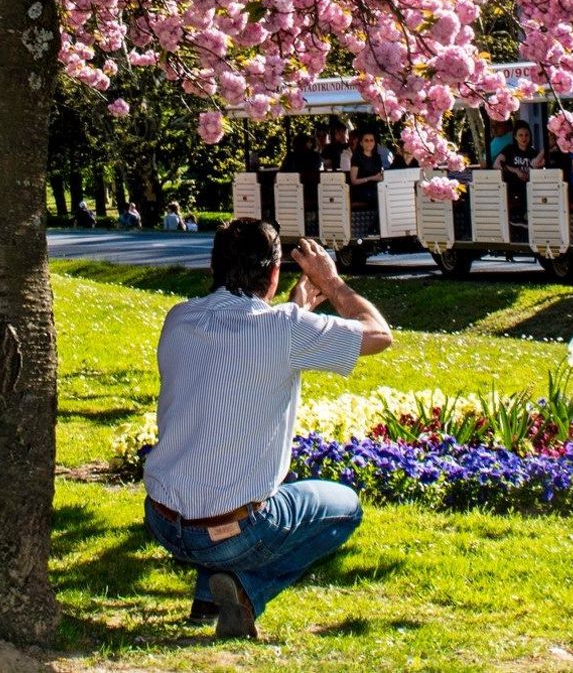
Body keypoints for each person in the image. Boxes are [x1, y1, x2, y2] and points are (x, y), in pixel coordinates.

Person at [143, 220, 393, 639]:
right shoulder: (285, 329)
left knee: (219, 473)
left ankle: (208, 595)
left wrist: (295, 310)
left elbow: (243, 349)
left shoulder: (179, 319)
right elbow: (379, 334)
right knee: (345, 507)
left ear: (215, 266)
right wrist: (330, 282)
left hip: (163, 521)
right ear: (274, 272)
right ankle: (245, 591)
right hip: (230, 532)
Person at [499, 122, 538, 226]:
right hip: (512, 184)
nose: (524, 138)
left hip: (529, 182)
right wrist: (516, 170)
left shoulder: (533, 152)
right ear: (515, 137)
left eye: (526, 135)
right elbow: (497, 164)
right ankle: (518, 216)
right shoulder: (509, 149)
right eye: (520, 135)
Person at [346, 127, 387, 210]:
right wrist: (371, 178)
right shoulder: (357, 157)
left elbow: (379, 175)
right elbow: (353, 181)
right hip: (361, 190)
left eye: (371, 140)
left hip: (376, 188)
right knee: (379, 198)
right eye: (366, 140)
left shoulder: (377, 157)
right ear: (361, 143)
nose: (369, 143)